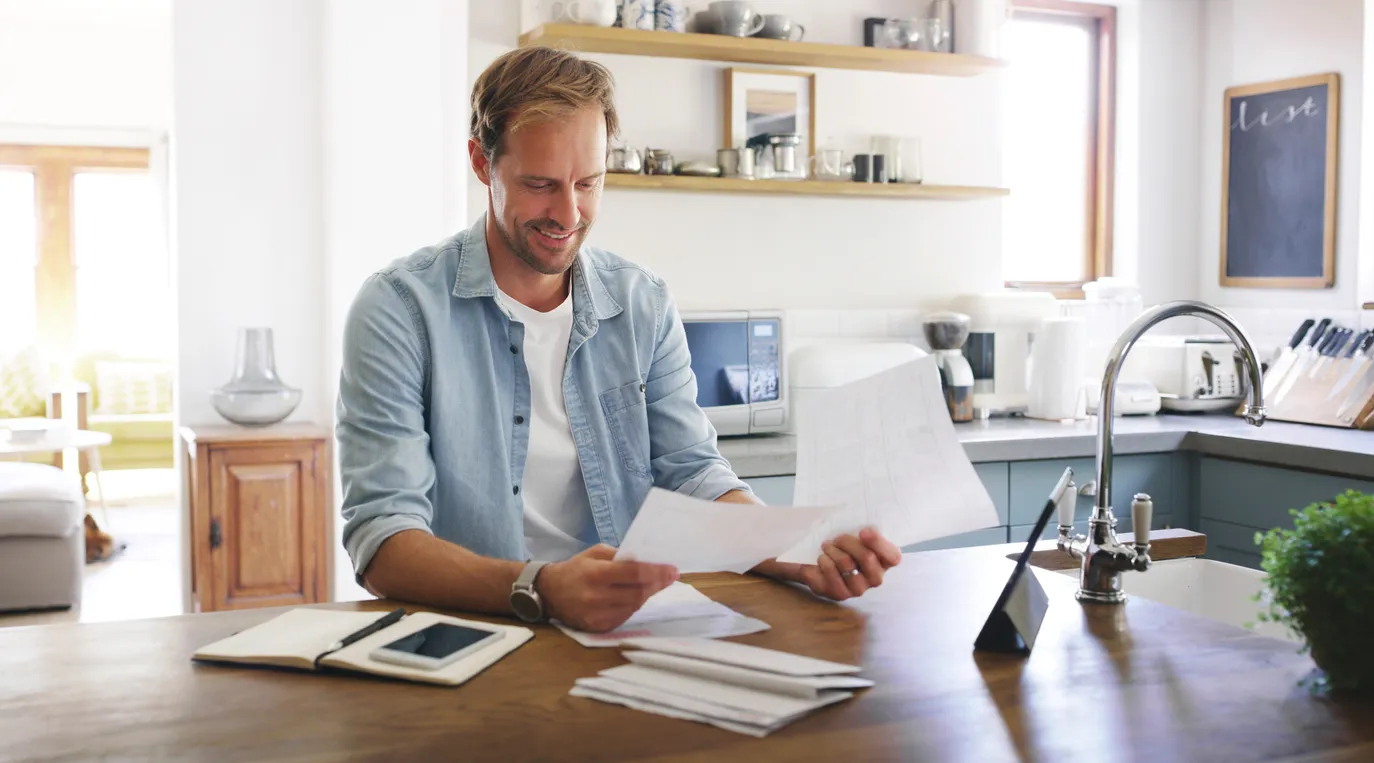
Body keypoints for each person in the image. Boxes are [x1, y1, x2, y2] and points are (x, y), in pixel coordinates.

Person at [336, 46, 902, 634]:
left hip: (623, 632)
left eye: (589, 183)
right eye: (539, 184)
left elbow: (693, 475)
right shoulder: (399, 310)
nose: (568, 212)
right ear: (482, 163)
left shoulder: (642, 303)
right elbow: (383, 540)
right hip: (468, 635)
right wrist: (542, 588)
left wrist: (802, 554)